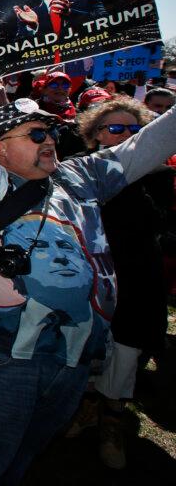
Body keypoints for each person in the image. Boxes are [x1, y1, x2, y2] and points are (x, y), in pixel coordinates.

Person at [0, 21, 176, 485]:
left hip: (74, 353)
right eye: (33, 135)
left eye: (49, 134)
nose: (48, 140)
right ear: (0, 149)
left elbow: (151, 143)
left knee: (27, 452)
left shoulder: (81, 177)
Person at [62, 98, 172, 469]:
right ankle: (85, 407)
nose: (126, 136)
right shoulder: (76, 174)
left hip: (138, 281)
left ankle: (112, 422)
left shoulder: (159, 178)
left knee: (125, 353)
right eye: (116, 128)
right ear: (94, 136)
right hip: (91, 280)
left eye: (134, 130)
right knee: (86, 349)